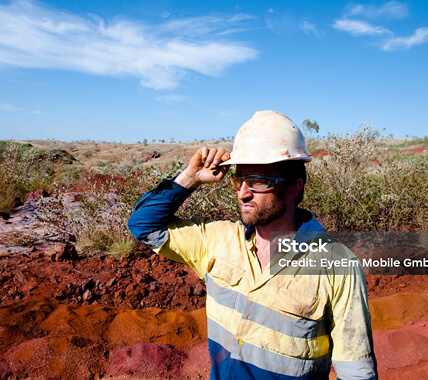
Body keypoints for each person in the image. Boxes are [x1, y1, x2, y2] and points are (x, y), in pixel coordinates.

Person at [128, 110, 378, 380]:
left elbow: (357, 374)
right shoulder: (218, 240)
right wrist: (191, 177)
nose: (243, 193)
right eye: (240, 179)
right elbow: (144, 226)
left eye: (258, 181)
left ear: (294, 188)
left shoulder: (336, 266)